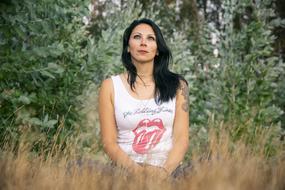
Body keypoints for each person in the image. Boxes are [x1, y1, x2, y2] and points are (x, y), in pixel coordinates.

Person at [98, 18, 189, 177]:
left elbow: (182, 140)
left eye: (150, 38)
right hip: (124, 171)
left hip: (168, 171)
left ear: (158, 49)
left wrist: (164, 173)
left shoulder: (179, 86)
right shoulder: (110, 86)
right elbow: (109, 143)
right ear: (128, 47)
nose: (143, 43)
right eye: (137, 37)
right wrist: (138, 173)